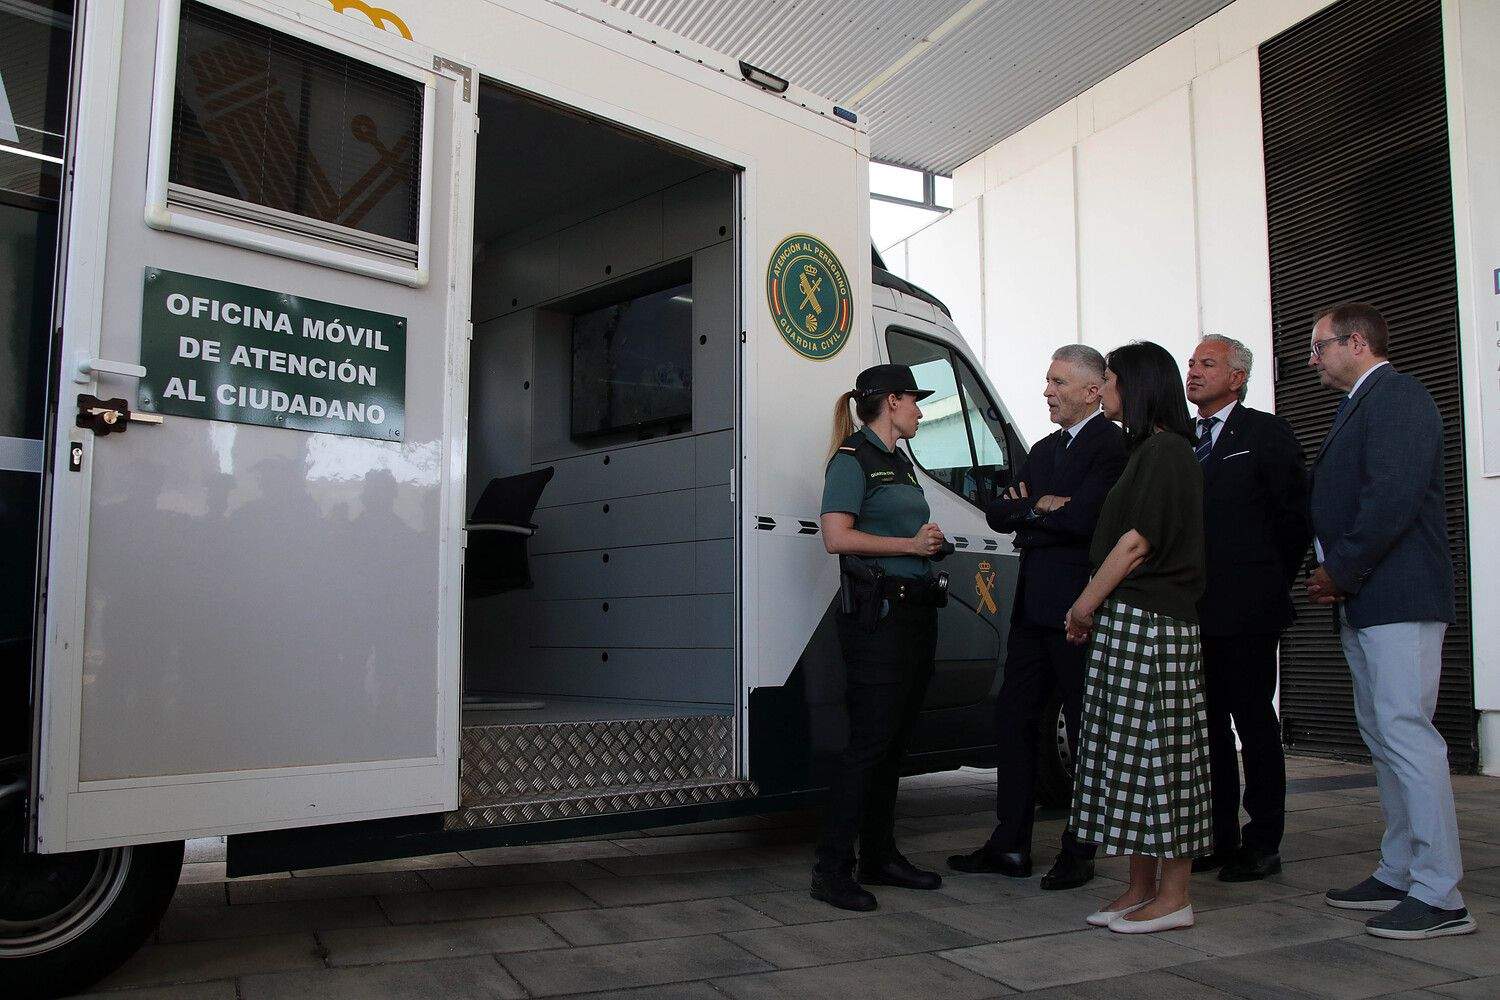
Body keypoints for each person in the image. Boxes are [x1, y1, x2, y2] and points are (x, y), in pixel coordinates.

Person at [1305, 303, 1475, 940]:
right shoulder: (1360, 404)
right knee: (1384, 737)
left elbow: (1392, 498)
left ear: (1356, 343)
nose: (1312, 360)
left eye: (1320, 346)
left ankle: (1440, 893)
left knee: (1407, 734)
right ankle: (1401, 868)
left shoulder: (1399, 397)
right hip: (1369, 600)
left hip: (1398, 597)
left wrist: (1341, 568)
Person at [948, 344, 1126, 889]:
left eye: (1058, 382)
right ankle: (1010, 845)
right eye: (1048, 381)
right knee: (1014, 720)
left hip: (1079, 609)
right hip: (1031, 611)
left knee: (1086, 727)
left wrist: (1035, 510)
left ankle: (1080, 850)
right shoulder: (1045, 448)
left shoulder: (1111, 445)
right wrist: (1041, 506)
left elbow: (1088, 520)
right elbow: (999, 514)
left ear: (1093, 391)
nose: (1047, 392)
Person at [1064, 340, 1210, 934]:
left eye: (1111, 379)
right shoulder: (1146, 451)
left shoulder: (1168, 452)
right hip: (1133, 623)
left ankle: (1174, 897)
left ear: (1138, 385)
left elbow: (1135, 543)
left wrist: (1084, 605)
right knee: (1128, 758)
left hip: (1154, 625)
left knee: (1162, 758)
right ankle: (1139, 887)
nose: (1104, 389)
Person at [813, 363, 949, 911]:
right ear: (892, 401)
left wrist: (929, 542)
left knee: (894, 742)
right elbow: (835, 537)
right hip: (879, 618)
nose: (920, 411)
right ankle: (831, 870)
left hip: (915, 611)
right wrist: (910, 547)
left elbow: (896, 530)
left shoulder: (900, 462)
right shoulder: (852, 459)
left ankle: (879, 856)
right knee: (868, 744)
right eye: (915, 400)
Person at [1185, 335, 1311, 882]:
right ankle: (1219, 836)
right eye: (1191, 363)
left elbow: (1293, 519)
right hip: (1195, 609)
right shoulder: (1182, 439)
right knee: (1207, 726)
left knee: (1253, 722)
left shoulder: (1264, 432)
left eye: (1207, 364)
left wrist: (1268, 580)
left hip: (1249, 609)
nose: (1194, 371)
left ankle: (1263, 842)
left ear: (1237, 377)